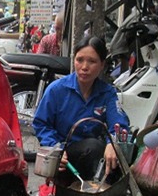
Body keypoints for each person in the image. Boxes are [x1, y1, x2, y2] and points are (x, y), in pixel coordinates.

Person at [33, 35, 129, 182]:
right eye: (80, 60)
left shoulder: (107, 93)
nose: (84, 67)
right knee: (94, 146)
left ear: (102, 64)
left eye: (92, 61)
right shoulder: (57, 90)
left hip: (94, 157)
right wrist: (55, 147)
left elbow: (119, 122)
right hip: (64, 159)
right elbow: (41, 123)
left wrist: (113, 143)